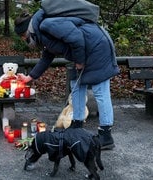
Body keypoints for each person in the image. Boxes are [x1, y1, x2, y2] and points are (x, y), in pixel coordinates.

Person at [14, 9, 120, 150]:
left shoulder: (47, 25)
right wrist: (29, 77)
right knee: (76, 87)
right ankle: (76, 128)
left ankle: (106, 136)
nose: (24, 40)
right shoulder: (42, 32)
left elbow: (76, 38)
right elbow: (47, 57)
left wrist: (80, 61)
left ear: (27, 31)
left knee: (100, 92)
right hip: (84, 50)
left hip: (97, 47)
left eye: (23, 36)